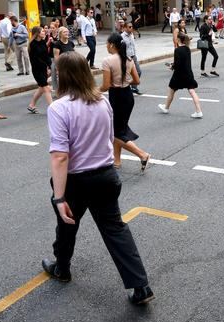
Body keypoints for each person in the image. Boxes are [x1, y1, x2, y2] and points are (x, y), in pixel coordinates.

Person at [43, 51, 154, 306]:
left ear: (63, 76)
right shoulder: (102, 102)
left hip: (77, 180)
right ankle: (140, 286)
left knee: (67, 223)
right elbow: (107, 137)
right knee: (116, 230)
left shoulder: (59, 108)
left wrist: (59, 196)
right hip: (105, 176)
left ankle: (62, 268)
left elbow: (60, 156)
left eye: (57, 73)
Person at [99, 33, 151, 172]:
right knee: (118, 130)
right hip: (128, 96)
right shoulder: (128, 59)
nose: (106, 46)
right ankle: (116, 160)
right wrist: (125, 81)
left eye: (106, 43)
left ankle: (142, 154)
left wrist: (93, 92)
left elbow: (105, 85)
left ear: (111, 44)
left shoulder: (107, 60)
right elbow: (137, 81)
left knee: (116, 132)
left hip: (116, 96)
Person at [157, 33, 203, 119]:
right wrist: (174, 65)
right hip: (188, 73)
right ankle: (198, 111)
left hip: (178, 75)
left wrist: (172, 66)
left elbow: (177, 64)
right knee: (192, 91)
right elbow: (183, 62)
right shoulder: (187, 49)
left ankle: (166, 107)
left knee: (171, 90)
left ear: (178, 39)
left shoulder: (177, 50)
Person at [26, 26, 52, 114]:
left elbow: (46, 56)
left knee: (41, 88)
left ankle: (32, 105)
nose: (44, 33)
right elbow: (34, 60)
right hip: (37, 70)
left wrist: (49, 66)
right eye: (42, 31)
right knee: (46, 88)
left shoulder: (43, 42)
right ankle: (53, 109)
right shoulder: (32, 44)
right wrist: (44, 66)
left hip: (44, 69)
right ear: (37, 33)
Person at [121, 23, 142, 95]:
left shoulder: (132, 35)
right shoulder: (122, 37)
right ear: (125, 28)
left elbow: (133, 46)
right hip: (126, 58)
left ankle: (134, 87)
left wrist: (134, 54)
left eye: (132, 27)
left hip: (133, 56)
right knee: (127, 74)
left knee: (138, 72)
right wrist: (126, 57)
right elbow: (121, 49)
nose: (131, 28)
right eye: (129, 27)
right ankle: (127, 88)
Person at [52, 26, 74, 92]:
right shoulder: (57, 44)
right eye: (65, 32)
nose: (67, 33)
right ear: (60, 34)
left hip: (70, 64)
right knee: (63, 81)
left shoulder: (71, 43)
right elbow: (56, 57)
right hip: (62, 65)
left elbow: (74, 53)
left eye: (67, 31)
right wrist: (58, 68)